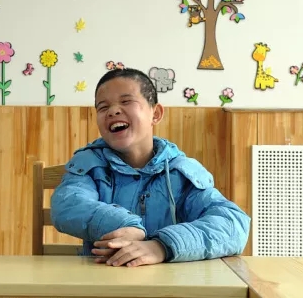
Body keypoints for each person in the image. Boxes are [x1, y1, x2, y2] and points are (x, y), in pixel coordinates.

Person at [50, 68, 250, 268]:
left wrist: (161, 246)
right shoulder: (88, 165)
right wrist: (126, 226)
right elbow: (67, 204)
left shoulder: (180, 173)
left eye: (126, 101)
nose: (113, 111)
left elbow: (233, 224)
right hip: (101, 280)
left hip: (170, 282)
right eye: (103, 107)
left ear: (155, 113)